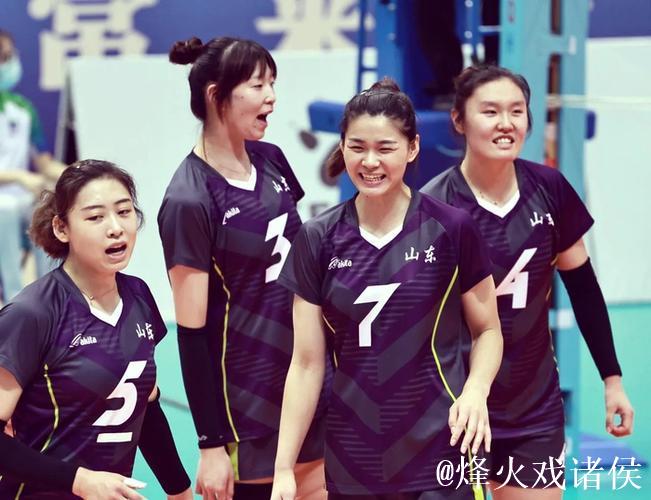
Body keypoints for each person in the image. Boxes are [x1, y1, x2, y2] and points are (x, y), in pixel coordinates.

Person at [271, 78, 503, 500]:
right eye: (357, 147)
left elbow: (487, 330)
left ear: (412, 148)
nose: (370, 162)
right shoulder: (317, 238)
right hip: (354, 456)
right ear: (342, 148)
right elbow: (306, 363)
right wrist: (284, 466)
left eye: (385, 148)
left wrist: (476, 390)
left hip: (443, 449)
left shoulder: (451, 228)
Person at [421, 65, 634, 499]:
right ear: (459, 120)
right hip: (457, 408)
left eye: (516, 111)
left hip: (533, 406)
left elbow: (584, 289)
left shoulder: (549, 189)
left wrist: (612, 380)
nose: (506, 123)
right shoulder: (435, 207)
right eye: (490, 111)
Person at [158, 37, 328, 500]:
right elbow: (192, 335)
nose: (272, 97)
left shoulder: (271, 160)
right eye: (258, 85)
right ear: (217, 96)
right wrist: (211, 443)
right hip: (247, 404)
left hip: (307, 380)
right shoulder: (189, 199)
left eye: (273, 83)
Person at [0, 160, 192, 499]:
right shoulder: (33, 313)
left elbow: (145, 407)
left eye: (124, 211)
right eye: (95, 217)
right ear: (62, 228)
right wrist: (79, 480)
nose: (115, 228)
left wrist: (179, 491)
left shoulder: (139, 296)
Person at [0, 29, 67, 303]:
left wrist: (83, 173)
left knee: (47, 207)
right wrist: (19, 176)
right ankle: (12, 300)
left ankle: (48, 297)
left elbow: (44, 163)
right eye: (1, 57)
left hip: (21, 198)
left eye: (9, 56)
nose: (6, 63)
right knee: (4, 210)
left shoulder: (23, 109)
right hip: (4, 204)